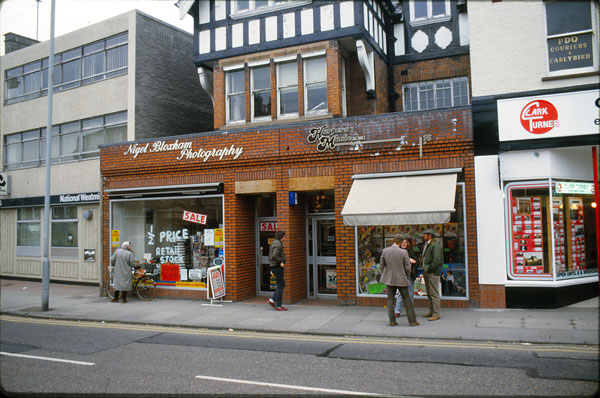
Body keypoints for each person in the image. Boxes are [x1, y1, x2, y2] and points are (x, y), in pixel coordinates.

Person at [380, 234, 419, 327]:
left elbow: (382, 265)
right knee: (407, 299)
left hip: (389, 279)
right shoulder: (403, 252)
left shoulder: (385, 251)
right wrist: (406, 275)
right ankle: (412, 321)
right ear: (400, 242)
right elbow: (408, 267)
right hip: (401, 279)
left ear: (394, 241)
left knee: (390, 300)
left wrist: (386, 273)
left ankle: (392, 321)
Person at [421, 228, 443, 321]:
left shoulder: (435, 245)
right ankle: (431, 311)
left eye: (425, 234)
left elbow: (437, 260)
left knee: (434, 293)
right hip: (427, 271)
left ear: (430, 235)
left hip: (432, 272)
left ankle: (436, 313)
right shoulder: (428, 244)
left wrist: (430, 269)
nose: (423, 236)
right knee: (429, 293)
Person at [394, 238, 418, 318]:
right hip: (401, 275)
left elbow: (416, 262)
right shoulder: (397, 251)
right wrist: (408, 260)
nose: (404, 243)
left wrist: (413, 262)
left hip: (410, 275)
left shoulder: (410, 252)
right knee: (401, 293)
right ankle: (397, 310)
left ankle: (409, 310)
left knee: (410, 293)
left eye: (405, 242)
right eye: (402, 242)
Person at [268, 230, 287, 311]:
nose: (285, 238)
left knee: (281, 284)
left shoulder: (275, 242)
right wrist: (281, 262)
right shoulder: (278, 244)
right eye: (284, 236)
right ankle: (278, 305)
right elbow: (274, 256)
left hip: (275, 266)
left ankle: (272, 300)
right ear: (281, 236)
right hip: (277, 267)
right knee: (280, 285)